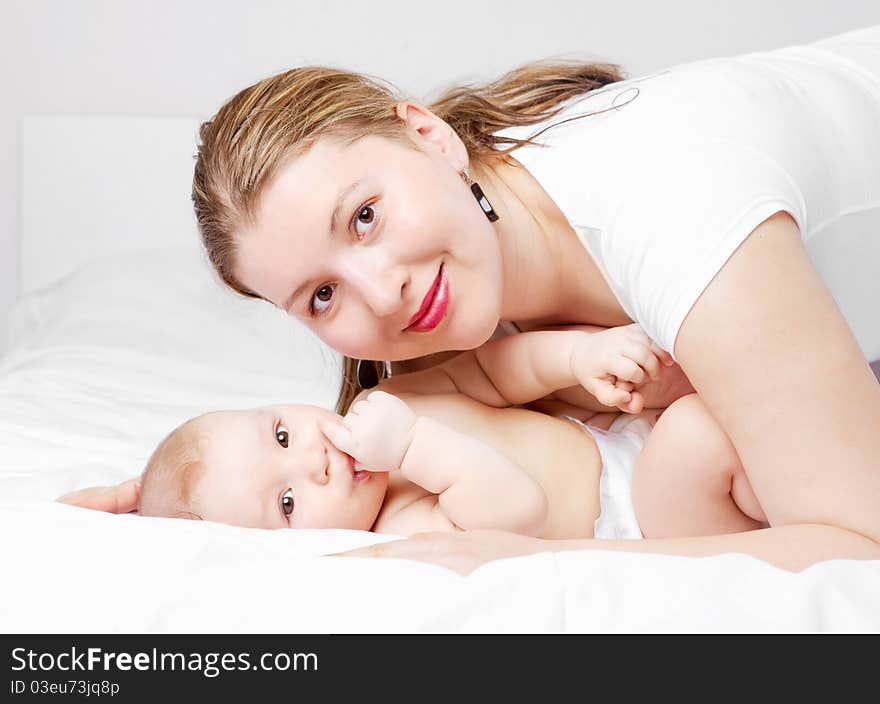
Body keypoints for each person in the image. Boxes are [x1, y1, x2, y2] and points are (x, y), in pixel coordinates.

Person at [186, 26, 880, 571]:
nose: (383, 293)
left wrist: (535, 564)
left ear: (430, 136)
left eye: (365, 216)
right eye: (323, 296)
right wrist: (166, 504)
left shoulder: (675, 212)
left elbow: (860, 552)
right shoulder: (469, 328)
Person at [58, 325, 768, 540]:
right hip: (651, 519)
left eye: (281, 437)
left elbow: (496, 372)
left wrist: (576, 358)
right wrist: (412, 450)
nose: (313, 462)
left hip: (624, 443)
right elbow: (511, 507)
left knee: (731, 375)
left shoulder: (393, 397)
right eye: (287, 504)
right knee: (702, 432)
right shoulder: (401, 526)